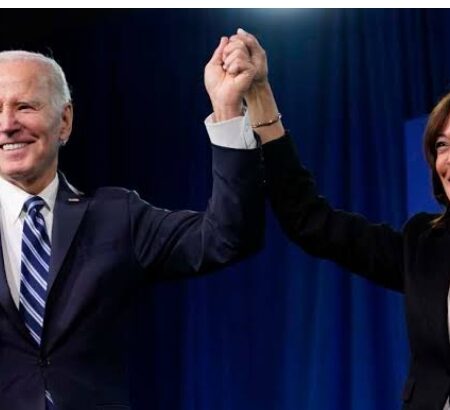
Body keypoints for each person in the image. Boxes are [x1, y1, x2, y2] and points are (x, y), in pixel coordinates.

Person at [0, 33, 265, 410]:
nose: (8, 124)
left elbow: (227, 237)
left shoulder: (116, 216)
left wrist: (227, 110)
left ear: (65, 121)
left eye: (25, 106)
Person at [233, 30, 450, 409]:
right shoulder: (422, 243)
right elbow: (310, 220)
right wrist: (260, 97)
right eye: (442, 145)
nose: (447, 160)